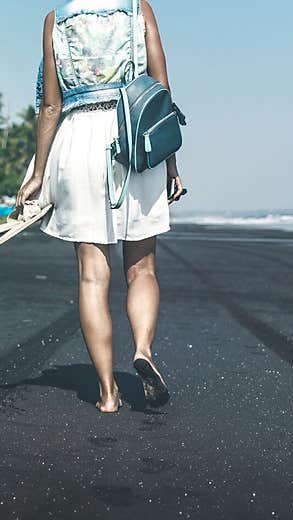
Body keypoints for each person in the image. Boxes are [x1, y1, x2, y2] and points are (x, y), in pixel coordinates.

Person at [17, 0, 185, 413]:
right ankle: (142, 349)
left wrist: (39, 174)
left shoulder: (55, 21)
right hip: (134, 138)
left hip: (78, 142)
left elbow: (51, 105)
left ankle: (108, 393)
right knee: (141, 267)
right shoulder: (137, 9)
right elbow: (160, 86)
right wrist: (171, 161)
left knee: (93, 277)